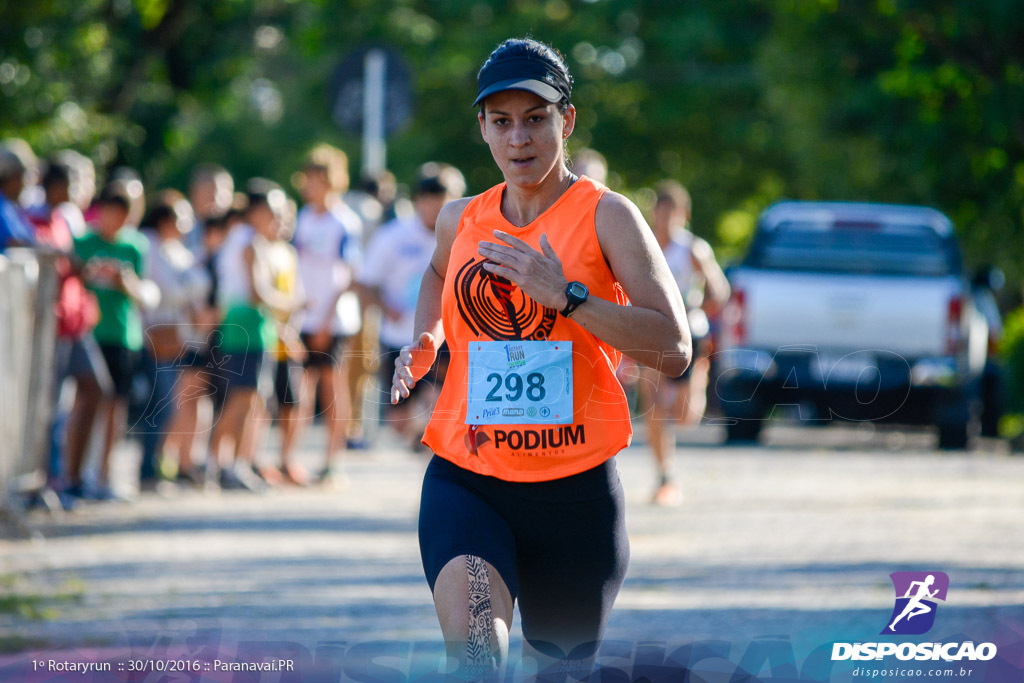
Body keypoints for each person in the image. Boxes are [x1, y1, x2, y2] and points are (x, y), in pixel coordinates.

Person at [391, 38, 691, 679]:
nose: (519, 139)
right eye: (502, 122)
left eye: (536, 119)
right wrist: (429, 337)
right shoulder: (459, 219)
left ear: (567, 120)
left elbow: (673, 346)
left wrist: (565, 297)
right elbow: (438, 274)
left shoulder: (609, 217)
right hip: (468, 484)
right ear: (483, 128)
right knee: (475, 655)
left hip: (575, 497)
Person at [637, 180, 730, 506]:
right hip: (652, 332)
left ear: (683, 215)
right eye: (659, 211)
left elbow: (720, 290)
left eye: (671, 212)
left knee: (685, 417)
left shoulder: (692, 249)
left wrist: (698, 308)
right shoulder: (644, 246)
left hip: (690, 332)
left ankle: (699, 375)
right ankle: (665, 476)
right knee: (653, 406)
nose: (664, 219)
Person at [361, 162, 464, 448]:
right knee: (399, 420)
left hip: (447, 336)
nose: (436, 206)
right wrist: (385, 308)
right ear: (418, 200)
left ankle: (436, 450)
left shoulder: (467, 233)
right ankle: (420, 435)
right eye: (429, 199)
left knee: (444, 403)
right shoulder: (392, 236)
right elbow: (366, 283)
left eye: (445, 199)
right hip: (401, 336)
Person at [70, 180, 160, 499]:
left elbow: (144, 293)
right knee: (83, 403)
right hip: (87, 334)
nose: (118, 220)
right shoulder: (82, 241)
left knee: (115, 408)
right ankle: (74, 476)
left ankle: (105, 477)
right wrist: (85, 274)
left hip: (123, 335)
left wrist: (126, 283)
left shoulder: (135, 245)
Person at [291, 144, 362, 484]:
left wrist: (324, 318)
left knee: (333, 388)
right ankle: (290, 459)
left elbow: (347, 274)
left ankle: (332, 461)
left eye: (318, 177)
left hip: (334, 320)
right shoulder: (302, 217)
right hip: (303, 317)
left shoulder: (344, 221)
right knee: (300, 388)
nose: (311, 184)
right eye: (308, 178)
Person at [136, 192, 210, 491]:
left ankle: (154, 469)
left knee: (168, 405)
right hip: (152, 335)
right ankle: (147, 472)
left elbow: (199, 284)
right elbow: (167, 289)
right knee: (157, 404)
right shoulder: (149, 245)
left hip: (175, 338)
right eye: (181, 218)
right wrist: (189, 294)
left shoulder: (177, 250)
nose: (187, 224)